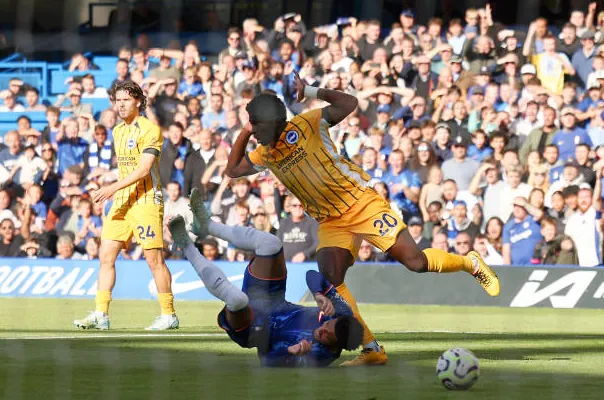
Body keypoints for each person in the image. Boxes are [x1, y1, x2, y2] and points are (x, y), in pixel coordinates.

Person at [225, 74, 500, 366]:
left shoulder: (307, 124)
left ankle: (470, 263)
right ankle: (372, 349)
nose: (253, 132)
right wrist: (244, 132)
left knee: (416, 262)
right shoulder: (264, 153)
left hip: (361, 202)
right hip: (331, 221)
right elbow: (232, 170)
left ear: (275, 122)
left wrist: (310, 89)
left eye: (256, 126)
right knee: (331, 279)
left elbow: (349, 102)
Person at [168, 189, 363, 367]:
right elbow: (312, 275)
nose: (323, 330)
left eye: (327, 336)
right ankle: (208, 225)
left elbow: (266, 360)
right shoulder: (342, 312)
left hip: (255, 328)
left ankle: (185, 244)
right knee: (271, 243)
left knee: (237, 300)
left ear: (337, 347)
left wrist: (288, 352)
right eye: (327, 325)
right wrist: (319, 294)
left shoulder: (320, 356)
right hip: (273, 299)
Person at [74, 81, 179, 331]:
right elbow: (125, 168)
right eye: (117, 100)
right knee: (105, 256)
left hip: (146, 200)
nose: (120, 105)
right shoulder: (118, 131)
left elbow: (144, 170)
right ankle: (101, 313)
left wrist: (111, 188)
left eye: (125, 100)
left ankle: (169, 314)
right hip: (122, 201)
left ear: (138, 102)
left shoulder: (151, 130)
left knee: (153, 259)